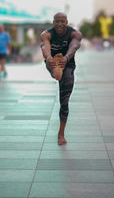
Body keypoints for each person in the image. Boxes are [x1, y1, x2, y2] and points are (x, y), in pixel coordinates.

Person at [40, 12, 82, 145]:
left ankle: (61, 134)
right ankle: (55, 70)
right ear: (53, 22)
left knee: (64, 101)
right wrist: (49, 58)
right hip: (51, 61)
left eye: (62, 21)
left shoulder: (74, 34)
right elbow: (46, 46)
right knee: (49, 59)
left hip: (68, 64)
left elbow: (74, 45)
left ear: (67, 22)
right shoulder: (47, 34)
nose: (59, 24)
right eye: (57, 21)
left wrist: (65, 58)